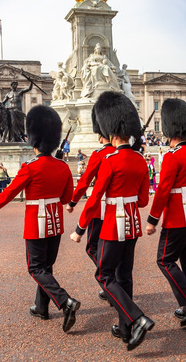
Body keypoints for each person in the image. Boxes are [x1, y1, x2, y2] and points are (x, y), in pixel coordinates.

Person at [0, 105, 79, 333]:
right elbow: (67, 197)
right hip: (56, 224)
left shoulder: (30, 167)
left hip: (36, 224)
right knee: (46, 267)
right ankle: (41, 307)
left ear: (33, 140)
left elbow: (9, 192)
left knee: (35, 269)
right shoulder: (63, 167)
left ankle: (65, 301)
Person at [69, 91, 153, 351]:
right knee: (124, 276)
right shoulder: (141, 160)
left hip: (112, 224)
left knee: (104, 275)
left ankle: (137, 318)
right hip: (132, 223)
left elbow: (94, 199)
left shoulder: (110, 160)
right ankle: (125, 328)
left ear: (110, 130)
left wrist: (80, 228)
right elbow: (142, 201)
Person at [145, 98, 186, 327]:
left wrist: (153, 219)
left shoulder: (172, 156)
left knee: (165, 260)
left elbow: (163, 190)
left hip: (178, 217)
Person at [66, 107, 115, 302]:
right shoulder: (122, 153)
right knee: (111, 247)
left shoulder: (99, 154)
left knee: (92, 247)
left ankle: (109, 281)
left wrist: (73, 201)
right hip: (119, 210)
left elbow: (85, 181)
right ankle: (112, 283)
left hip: (99, 208)